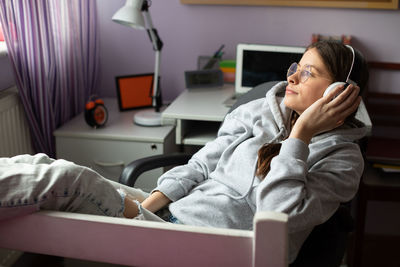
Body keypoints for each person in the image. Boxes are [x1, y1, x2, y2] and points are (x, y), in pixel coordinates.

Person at [0, 40, 369, 263]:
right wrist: (143, 212)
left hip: (211, 244)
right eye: (295, 67)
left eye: (308, 73)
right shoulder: (261, 113)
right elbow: (202, 162)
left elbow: (277, 219)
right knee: (44, 164)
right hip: (168, 219)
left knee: (70, 180)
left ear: (340, 93)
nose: (290, 78)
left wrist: (300, 137)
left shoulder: (342, 161)